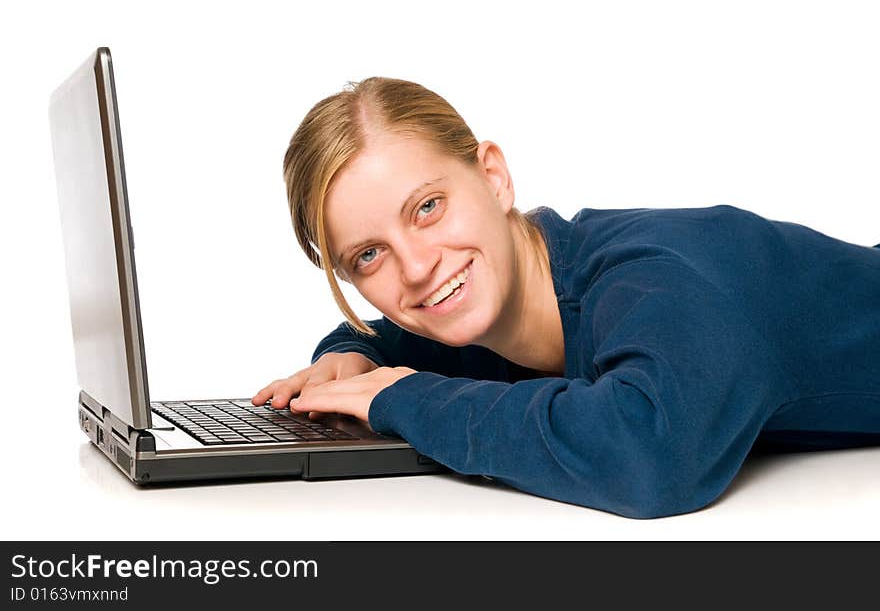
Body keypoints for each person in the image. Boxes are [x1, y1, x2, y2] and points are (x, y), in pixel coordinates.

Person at [252, 77, 880, 519]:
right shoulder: (498, 301)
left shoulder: (656, 280)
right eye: (368, 255)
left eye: (428, 207)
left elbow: (654, 454)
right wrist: (351, 358)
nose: (417, 268)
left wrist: (407, 398)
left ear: (493, 178)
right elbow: (390, 339)